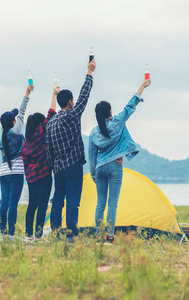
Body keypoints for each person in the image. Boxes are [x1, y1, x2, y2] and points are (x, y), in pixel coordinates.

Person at [89, 79, 151, 243]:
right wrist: (142, 87)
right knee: (112, 204)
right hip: (115, 167)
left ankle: (98, 235)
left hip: (100, 168)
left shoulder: (94, 132)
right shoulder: (117, 122)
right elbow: (130, 106)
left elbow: (91, 155)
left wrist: (93, 174)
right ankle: (109, 236)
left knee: (100, 203)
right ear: (110, 111)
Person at [46, 60, 96, 243]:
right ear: (69, 102)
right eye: (73, 101)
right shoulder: (73, 116)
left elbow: (48, 148)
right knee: (73, 201)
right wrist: (89, 72)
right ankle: (72, 235)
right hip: (73, 166)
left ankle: (55, 233)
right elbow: (85, 96)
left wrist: (53, 166)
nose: (75, 102)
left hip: (58, 168)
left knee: (58, 200)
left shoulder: (51, 123)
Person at [22, 87, 59, 242]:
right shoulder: (42, 132)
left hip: (31, 178)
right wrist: (54, 94)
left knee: (32, 206)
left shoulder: (26, 142)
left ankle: (28, 235)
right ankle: (38, 235)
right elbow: (51, 113)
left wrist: (29, 175)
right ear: (39, 123)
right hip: (44, 175)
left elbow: (25, 163)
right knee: (42, 205)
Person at [0, 84, 33, 239]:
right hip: (16, 172)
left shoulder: (3, 137)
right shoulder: (16, 131)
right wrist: (27, 93)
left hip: (3, 173)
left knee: (4, 203)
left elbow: (15, 114)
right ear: (13, 122)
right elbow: (22, 112)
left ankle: (3, 233)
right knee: (13, 204)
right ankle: (12, 235)